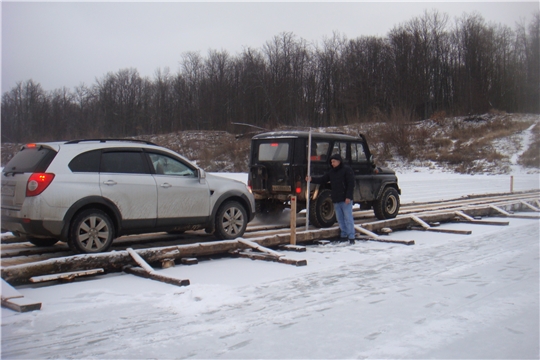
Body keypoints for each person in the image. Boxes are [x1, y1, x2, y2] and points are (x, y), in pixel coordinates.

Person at [306, 153, 356, 244]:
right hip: (336, 199)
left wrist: (348, 196)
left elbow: (351, 184)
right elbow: (322, 179)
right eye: (331, 162)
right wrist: (311, 179)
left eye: (334, 161)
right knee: (340, 219)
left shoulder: (347, 170)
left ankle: (351, 236)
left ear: (339, 161)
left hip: (345, 199)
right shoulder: (331, 172)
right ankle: (343, 235)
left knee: (348, 218)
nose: (332, 163)